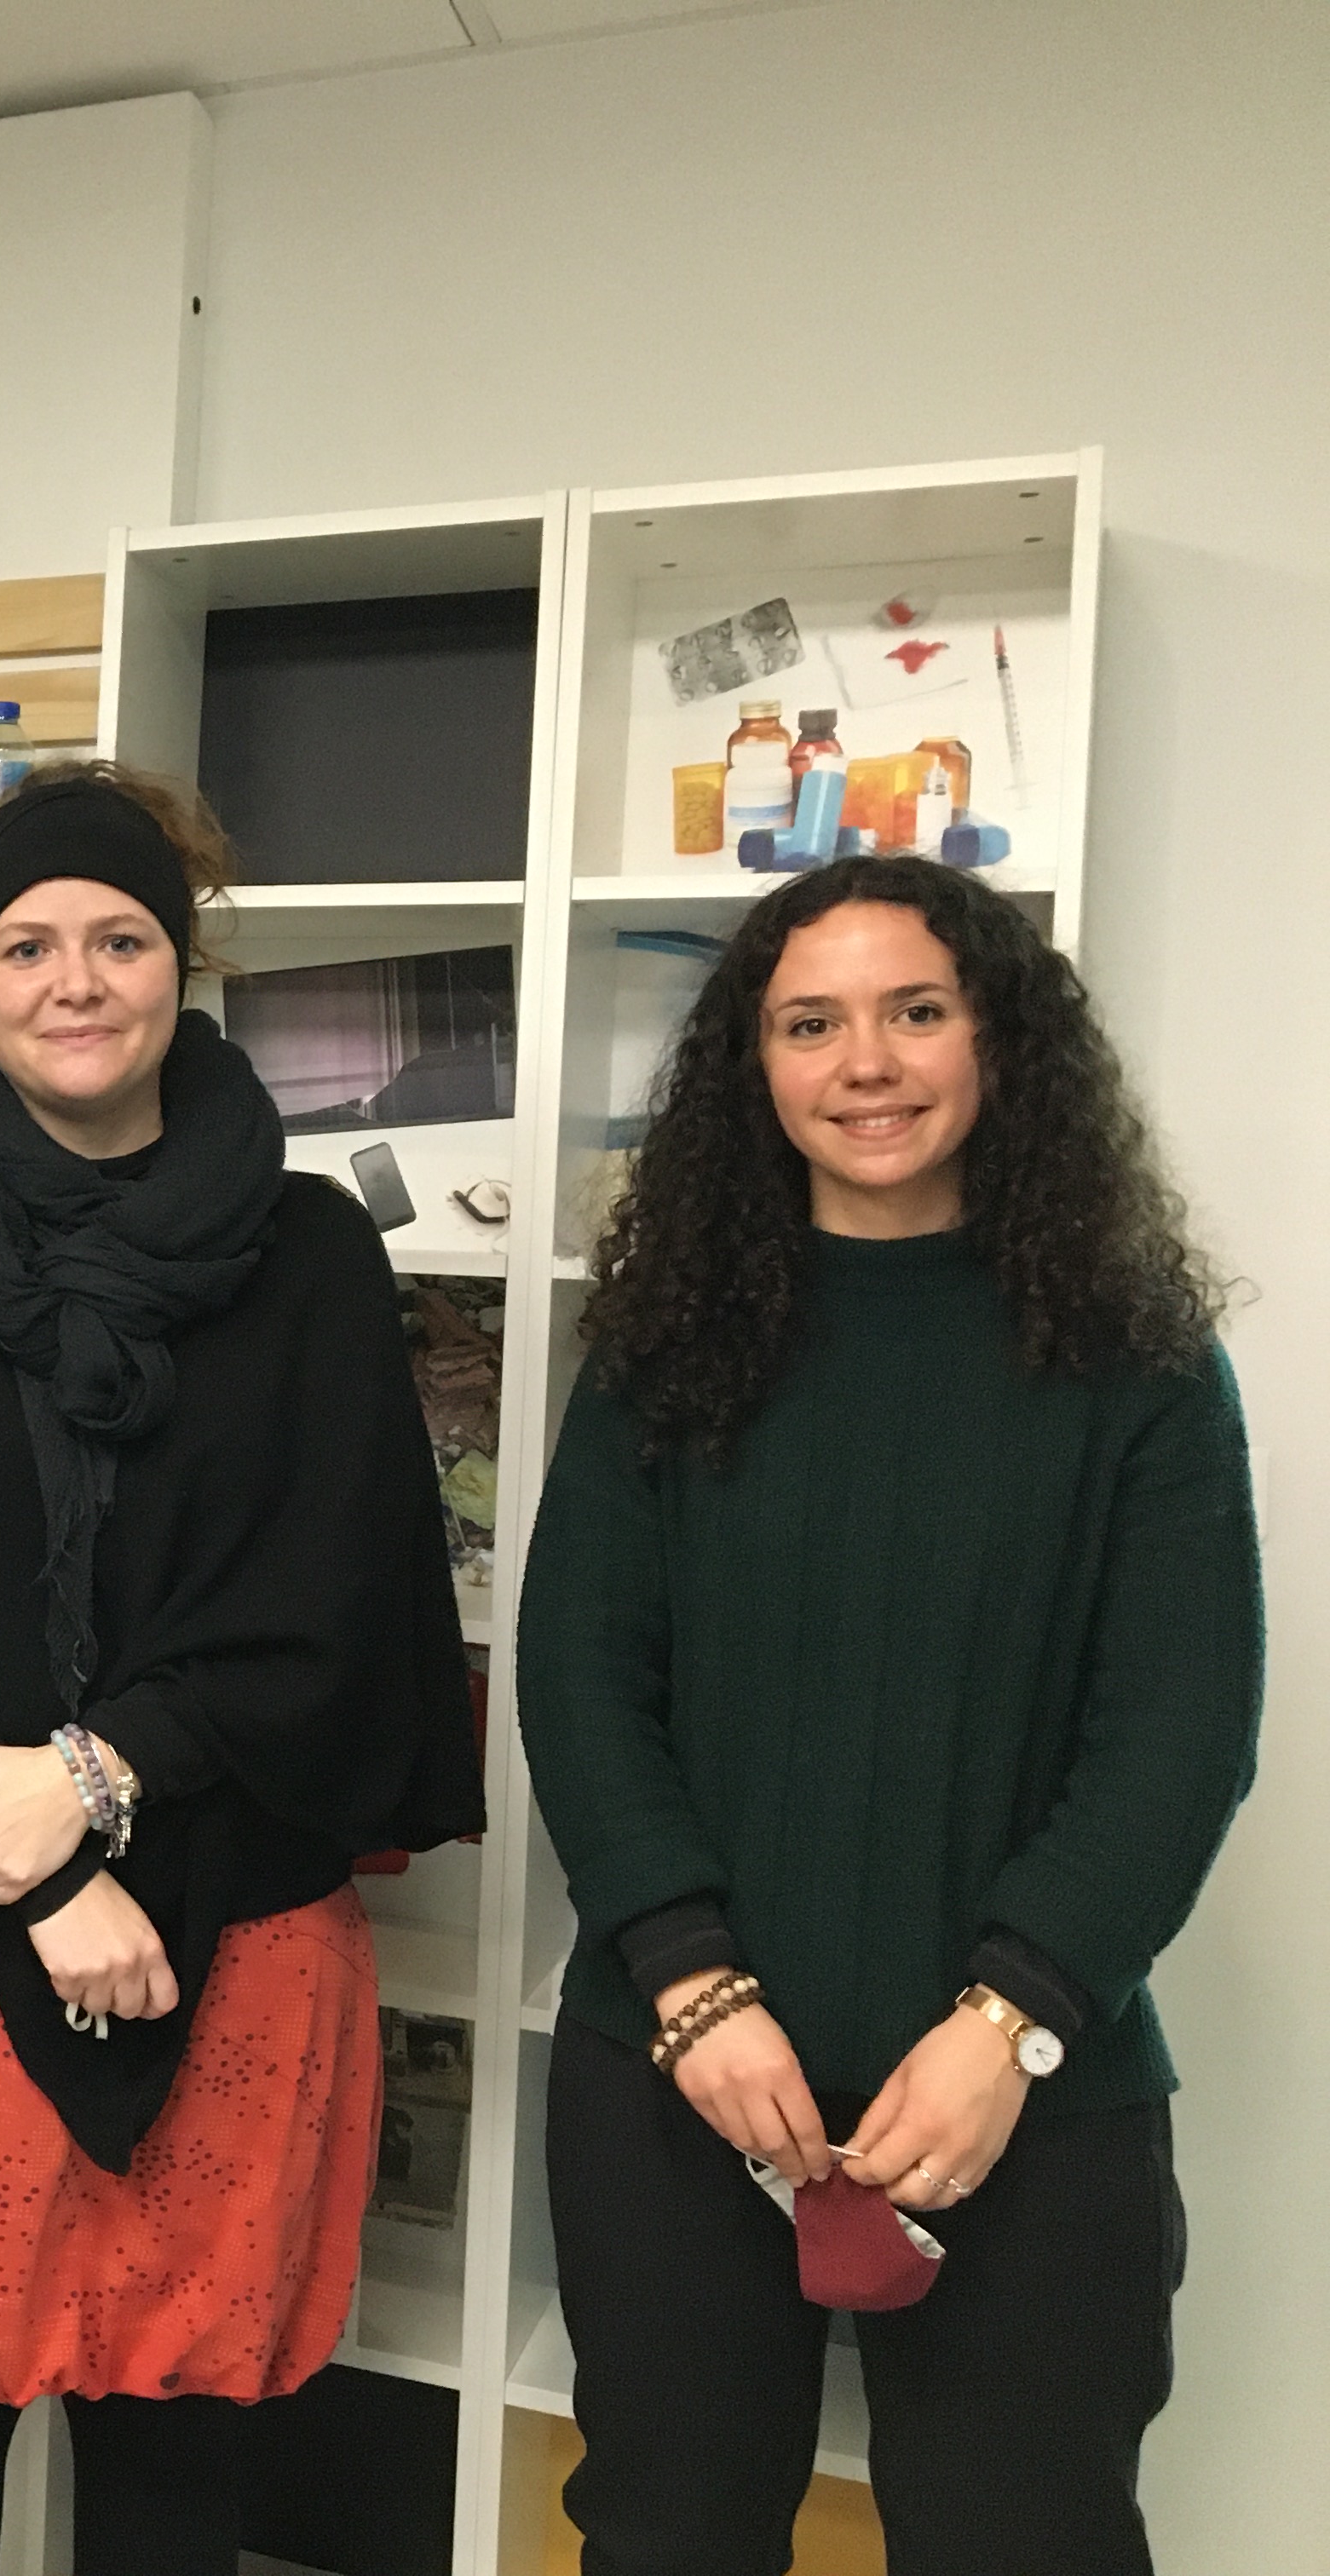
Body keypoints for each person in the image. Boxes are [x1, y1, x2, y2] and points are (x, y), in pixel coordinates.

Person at [0, 766, 484, 2576]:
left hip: (226, 1911)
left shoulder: (310, 1254)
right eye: (27, 944)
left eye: (119, 940)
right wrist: (39, 1859)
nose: (74, 981)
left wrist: (96, 1779)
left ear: (181, 965)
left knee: (172, 2429)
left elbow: (335, 1601)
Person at [519, 854, 1257, 2576]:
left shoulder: (1140, 1359)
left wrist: (1011, 2024)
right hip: (684, 2078)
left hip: (1027, 2093)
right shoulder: (663, 1343)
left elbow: (1179, 1733)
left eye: (916, 1011)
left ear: (998, 1038)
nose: (867, 1063)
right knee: (666, 2538)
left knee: (1029, 2543)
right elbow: (582, 1678)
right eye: (811, 1024)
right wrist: (695, 1989)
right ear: (755, 1067)